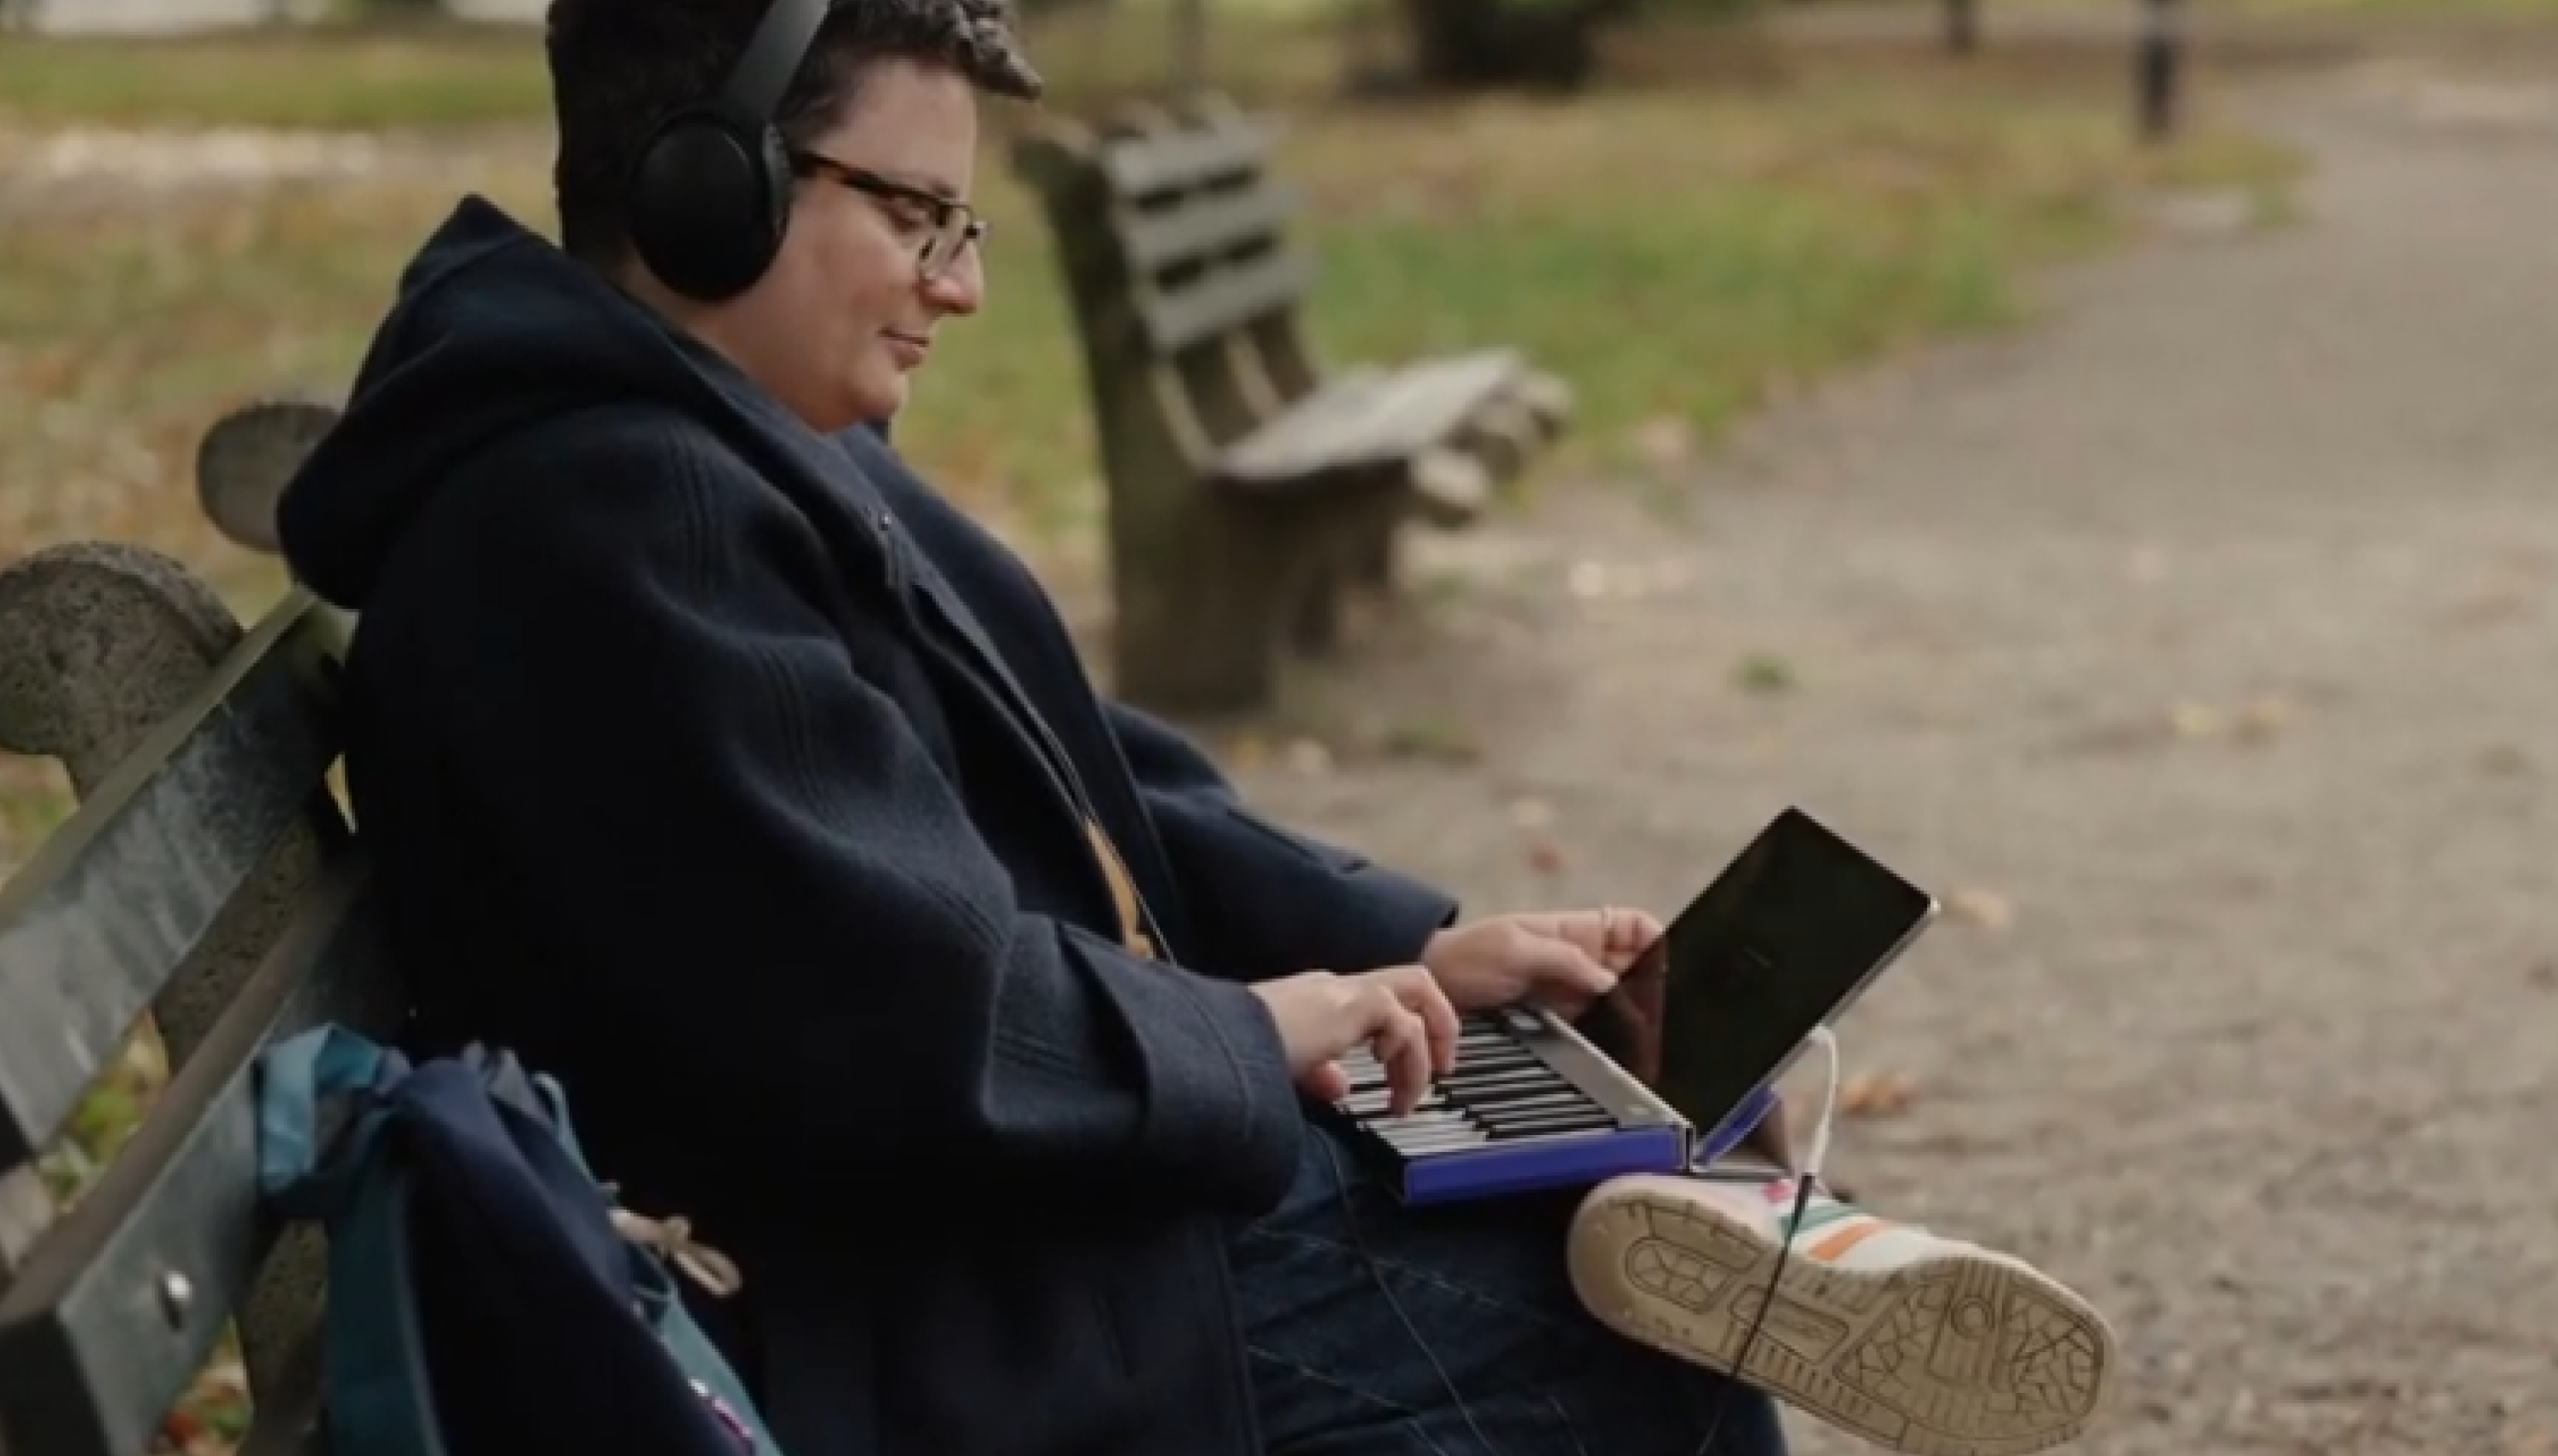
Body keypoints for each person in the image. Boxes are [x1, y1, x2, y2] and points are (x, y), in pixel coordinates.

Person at [270, 0, 2119, 1453]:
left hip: (972, 1240)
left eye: (965, 222)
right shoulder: (615, 524)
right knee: (1631, 1336)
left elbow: (1094, 778)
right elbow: (906, 1019)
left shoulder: (733, 457)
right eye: (914, 215)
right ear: (707, 185)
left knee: (1616, 1216)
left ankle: (1689, 1194)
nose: (961, 284)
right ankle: (1708, 1227)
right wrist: (1256, 1034)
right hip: (867, 1328)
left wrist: (1408, 951)